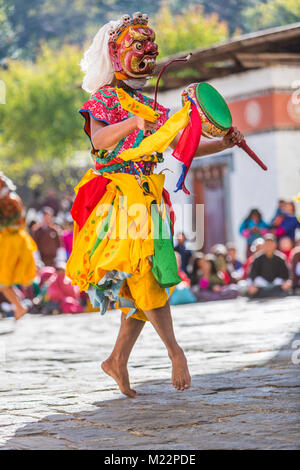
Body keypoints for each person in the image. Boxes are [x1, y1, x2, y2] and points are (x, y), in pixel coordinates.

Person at [66, 13, 243, 397]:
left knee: (142, 281)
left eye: (150, 46)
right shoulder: (105, 99)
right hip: (122, 198)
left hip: (149, 199)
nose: (147, 52)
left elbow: (179, 148)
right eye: (137, 46)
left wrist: (222, 143)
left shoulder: (145, 104)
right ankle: (175, 352)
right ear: (116, 54)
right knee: (145, 273)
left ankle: (116, 359)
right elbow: (99, 143)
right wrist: (132, 124)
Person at [0, 172, 37, 319]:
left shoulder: (8, 202)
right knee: (4, 282)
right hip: (14, 241)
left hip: (10, 243)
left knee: (3, 282)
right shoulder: (14, 199)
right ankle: (19, 307)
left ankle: (19, 307)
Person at [248, 234, 291, 298]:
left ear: (275, 245)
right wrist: (252, 285)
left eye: (271, 243)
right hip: (262, 285)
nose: (269, 246)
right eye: (267, 244)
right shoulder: (257, 258)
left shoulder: (281, 258)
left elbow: (286, 276)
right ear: (264, 245)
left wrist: (287, 283)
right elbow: (252, 276)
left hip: (277, 285)